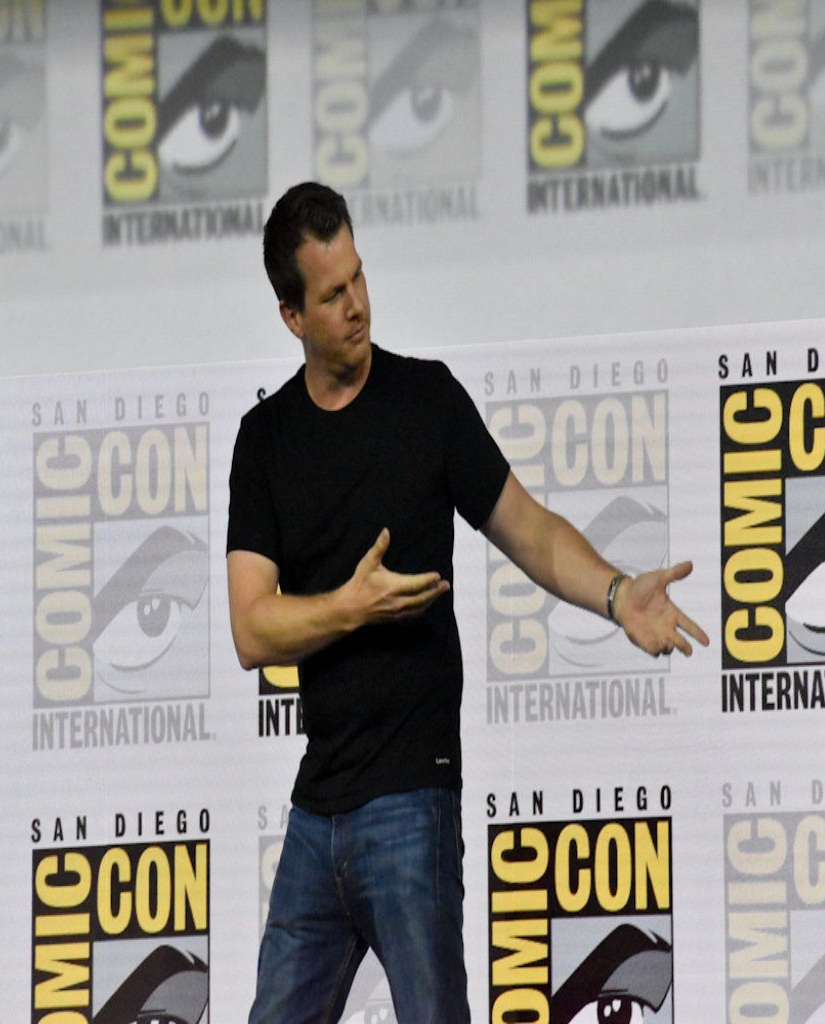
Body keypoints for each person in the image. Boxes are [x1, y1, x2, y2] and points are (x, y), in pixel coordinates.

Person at [226, 182, 708, 1024]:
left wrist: (617, 593)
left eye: (360, 277)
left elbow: (530, 529)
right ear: (291, 316)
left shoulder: (427, 402)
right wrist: (350, 606)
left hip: (412, 802)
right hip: (314, 810)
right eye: (332, 294)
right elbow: (250, 628)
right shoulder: (264, 441)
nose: (358, 305)